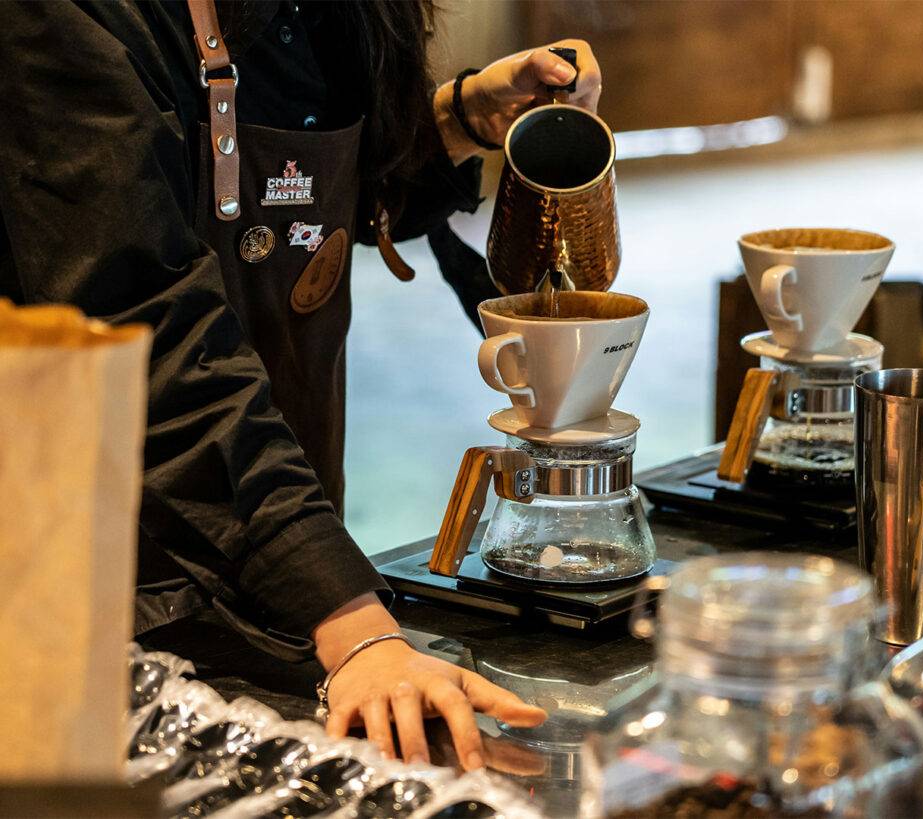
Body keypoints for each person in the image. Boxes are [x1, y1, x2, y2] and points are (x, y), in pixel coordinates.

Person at [0, 1, 601, 770]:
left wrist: (462, 117)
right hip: (106, 577)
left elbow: (311, 203)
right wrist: (348, 616)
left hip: (273, 525)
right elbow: (146, 331)